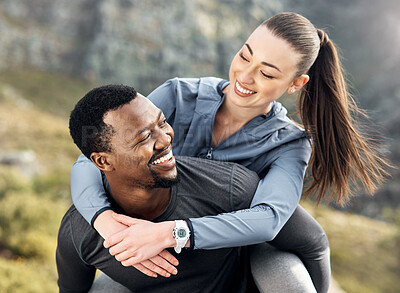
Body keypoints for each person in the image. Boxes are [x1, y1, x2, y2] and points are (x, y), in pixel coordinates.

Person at [69, 13, 389, 293]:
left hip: (243, 254)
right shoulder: (178, 95)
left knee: (288, 279)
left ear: (295, 83)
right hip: (164, 248)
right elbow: (90, 158)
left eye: (267, 73)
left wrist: (172, 233)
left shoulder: (289, 143)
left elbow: (269, 219)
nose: (245, 76)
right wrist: (103, 219)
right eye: (245, 56)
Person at [57, 84, 266, 292]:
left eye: (163, 122)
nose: (166, 139)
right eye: (145, 137)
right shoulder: (80, 232)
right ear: (103, 162)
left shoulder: (227, 186)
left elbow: (298, 240)